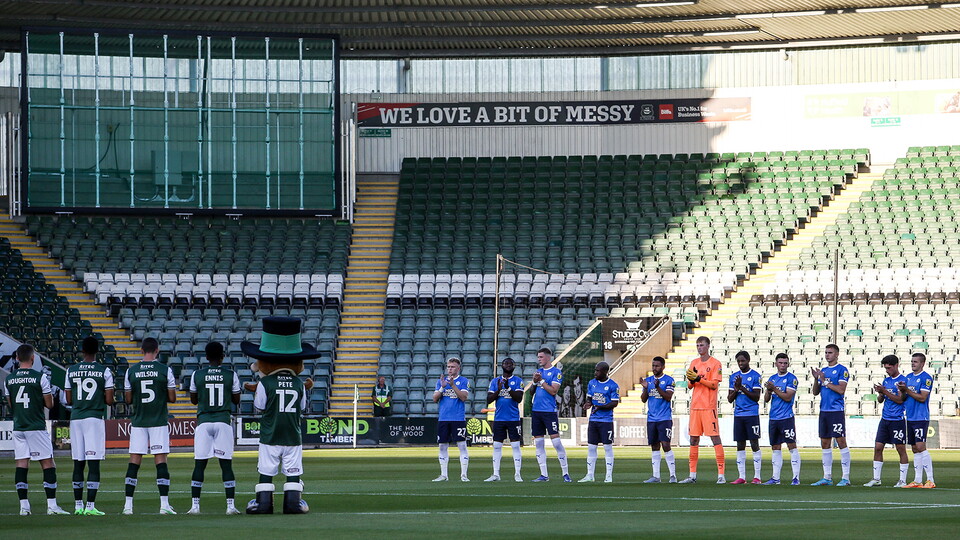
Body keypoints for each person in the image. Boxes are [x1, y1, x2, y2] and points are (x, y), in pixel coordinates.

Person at [241, 316, 318, 514]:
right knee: (293, 471)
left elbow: (260, 408)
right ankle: (293, 503)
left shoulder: (265, 384)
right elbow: (301, 407)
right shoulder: (299, 384)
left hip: (270, 434)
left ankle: (263, 504)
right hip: (293, 434)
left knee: (266, 471)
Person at [4, 344, 69, 515]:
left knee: (21, 463)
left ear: (17, 358)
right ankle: (52, 506)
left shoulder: (8, 379)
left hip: (19, 426)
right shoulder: (40, 378)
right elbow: (49, 404)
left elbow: (11, 404)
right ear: (33, 358)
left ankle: (24, 507)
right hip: (36, 426)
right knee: (48, 463)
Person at [123, 337, 178, 514]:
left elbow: (128, 399)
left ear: (141, 350)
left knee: (134, 462)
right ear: (157, 351)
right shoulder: (165, 370)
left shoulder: (131, 371)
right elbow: (172, 398)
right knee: (160, 461)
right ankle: (164, 505)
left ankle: (128, 506)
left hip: (139, 421)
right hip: (158, 421)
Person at [188, 342, 242, 515]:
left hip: (203, 422)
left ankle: (195, 506)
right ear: (223, 356)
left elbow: (193, 400)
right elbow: (236, 400)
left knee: (199, 465)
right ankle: (230, 506)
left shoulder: (197, 374)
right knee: (226, 465)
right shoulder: (230, 375)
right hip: (223, 421)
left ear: (206, 356)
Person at [64, 336, 115, 515]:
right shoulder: (104, 371)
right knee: (93, 464)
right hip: (94, 418)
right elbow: (109, 401)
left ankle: (78, 505)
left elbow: (68, 399)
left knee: (78, 463)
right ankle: (90, 507)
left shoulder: (71, 370)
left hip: (76, 418)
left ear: (82, 351)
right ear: (97, 351)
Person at [679, 336, 725, 484]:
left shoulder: (715, 363)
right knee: (693, 439)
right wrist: (692, 380)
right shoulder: (694, 363)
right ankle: (692, 475)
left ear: (708, 346)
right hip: (695, 407)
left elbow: (713, 385)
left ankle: (721, 475)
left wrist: (699, 379)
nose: (699, 348)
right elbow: (690, 386)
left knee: (715, 438)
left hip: (708, 407)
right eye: (698, 345)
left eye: (702, 345)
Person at [525, 347, 571, 482]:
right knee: (538, 443)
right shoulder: (538, 372)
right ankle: (544, 474)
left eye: (541, 357)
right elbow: (532, 392)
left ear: (548, 357)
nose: (539, 359)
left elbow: (553, 391)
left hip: (549, 412)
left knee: (556, 442)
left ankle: (565, 473)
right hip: (536, 411)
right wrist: (534, 381)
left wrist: (541, 381)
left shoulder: (556, 372)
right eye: (538, 357)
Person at [810, 343, 851, 486]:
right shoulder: (823, 371)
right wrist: (816, 379)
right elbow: (815, 392)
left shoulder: (842, 370)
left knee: (840, 441)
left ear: (837, 354)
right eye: (826, 352)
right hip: (824, 411)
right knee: (825, 442)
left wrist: (824, 381)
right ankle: (827, 477)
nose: (827, 355)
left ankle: (845, 477)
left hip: (836, 411)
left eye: (830, 352)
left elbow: (841, 390)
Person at [865, 354, 908, 487]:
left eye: (889, 368)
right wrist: (880, 393)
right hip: (885, 419)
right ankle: (876, 478)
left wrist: (885, 391)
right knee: (878, 447)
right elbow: (880, 400)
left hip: (897, 419)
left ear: (896, 365)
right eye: (886, 368)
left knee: (900, 449)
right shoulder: (886, 381)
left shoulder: (903, 381)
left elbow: (900, 400)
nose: (887, 370)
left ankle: (902, 480)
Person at [762, 353, 801, 485]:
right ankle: (775, 477)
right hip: (774, 418)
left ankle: (796, 477)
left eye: (785, 363)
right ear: (776, 364)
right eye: (780, 363)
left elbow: (788, 397)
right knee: (775, 447)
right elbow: (766, 400)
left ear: (788, 364)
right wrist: (768, 391)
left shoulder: (792, 379)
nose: (783, 365)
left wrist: (773, 388)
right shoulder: (772, 378)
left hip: (786, 418)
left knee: (791, 446)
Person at [485, 357, 524, 482]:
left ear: (514, 366)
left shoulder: (518, 381)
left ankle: (517, 474)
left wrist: (507, 388)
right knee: (496, 446)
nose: (508, 365)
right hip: (499, 419)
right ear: (501, 366)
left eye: (510, 363)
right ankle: (496, 474)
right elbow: (489, 399)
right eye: (505, 363)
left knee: (515, 446)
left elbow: (519, 398)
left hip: (513, 418)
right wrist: (498, 389)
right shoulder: (495, 381)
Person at [899, 352, 935, 488]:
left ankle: (930, 479)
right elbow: (903, 398)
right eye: (912, 361)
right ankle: (918, 480)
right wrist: (902, 391)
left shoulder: (926, 378)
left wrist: (906, 390)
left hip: (921, 417)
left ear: (922, 363)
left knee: (921, 446)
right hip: (910, 417)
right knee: (914, 448)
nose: (913, 363)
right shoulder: (908, 377)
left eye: (916, 362)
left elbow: (922, 397)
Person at [580, 361, 619, 483]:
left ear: (605, 372)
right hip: (593, 420)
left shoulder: (613, 385)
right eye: (595, 370)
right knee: (591, 447)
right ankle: (589, 475)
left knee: (607, 447)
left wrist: (600, 407)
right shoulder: (592, 383)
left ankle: (608, 476)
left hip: (606, 421)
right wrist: (588, 403)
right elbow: (590, 398)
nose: (595, 373)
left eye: (597, 370)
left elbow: (614, 402)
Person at [727, 351, 762, 484]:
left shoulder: (755, 376)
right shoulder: (734, 377)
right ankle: (742, 477)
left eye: (743, 361)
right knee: (740, 444)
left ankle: (757, 476)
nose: (741, 363)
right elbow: (730, 399)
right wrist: (736, 389)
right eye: (739, 361)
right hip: (739, 415)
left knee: (754, 444)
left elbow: (756, 397)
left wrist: (742, 387)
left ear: (748, 360)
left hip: (752, 414)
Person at [433, 356, 470, 482]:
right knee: (442, 446)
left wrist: (453, 385)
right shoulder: (440, 381)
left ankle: (463, 475)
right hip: (443, 418)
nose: (450, 369)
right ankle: (444, 475)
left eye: (452, 367)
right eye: (448, 367)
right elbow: (434, 398)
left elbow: (463, 397)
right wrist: (442, 387)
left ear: (458, 368)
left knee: (462, 445)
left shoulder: (464, 381)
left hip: (458, 418)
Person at [641, 356, 676, 483]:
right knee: (654, 446)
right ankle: (656, 476)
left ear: (663, 367)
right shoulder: (648, 380)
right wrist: (645, 388)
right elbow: (644, 399)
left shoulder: (669, 380)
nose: (654, 368)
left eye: (657, 366)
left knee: (666, 444)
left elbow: (668, 397)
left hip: (664, 418)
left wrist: (657, 387)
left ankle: (673, 475)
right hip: (651, 419)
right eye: (653, 366)